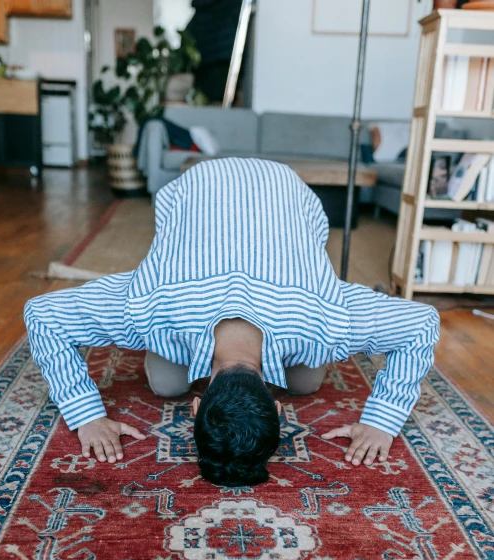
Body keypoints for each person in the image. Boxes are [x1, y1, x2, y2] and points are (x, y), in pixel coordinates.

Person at [24, 158, 439, 487]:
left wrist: (382, 419)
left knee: (306, 381)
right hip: (203, 203)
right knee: (168, 381)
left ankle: (188, 359)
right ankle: (181, 358)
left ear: (197, 406)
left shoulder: (326, 320)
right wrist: (86, 416)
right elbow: (41, 316)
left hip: (281, 205)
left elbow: (423, 324)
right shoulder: (149, 307)